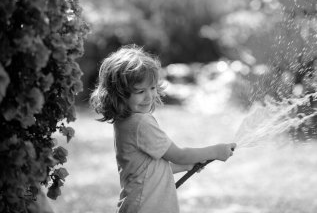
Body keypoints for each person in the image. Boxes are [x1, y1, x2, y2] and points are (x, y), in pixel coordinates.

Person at [90, 44, 236, 213]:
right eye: (140, 91)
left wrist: (187, 166)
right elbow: (179, 155)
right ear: (119, 94)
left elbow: (147, 171)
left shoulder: (124, 122)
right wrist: (216, 151)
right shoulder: (140, 123)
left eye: (152, 88)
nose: (149, 96)